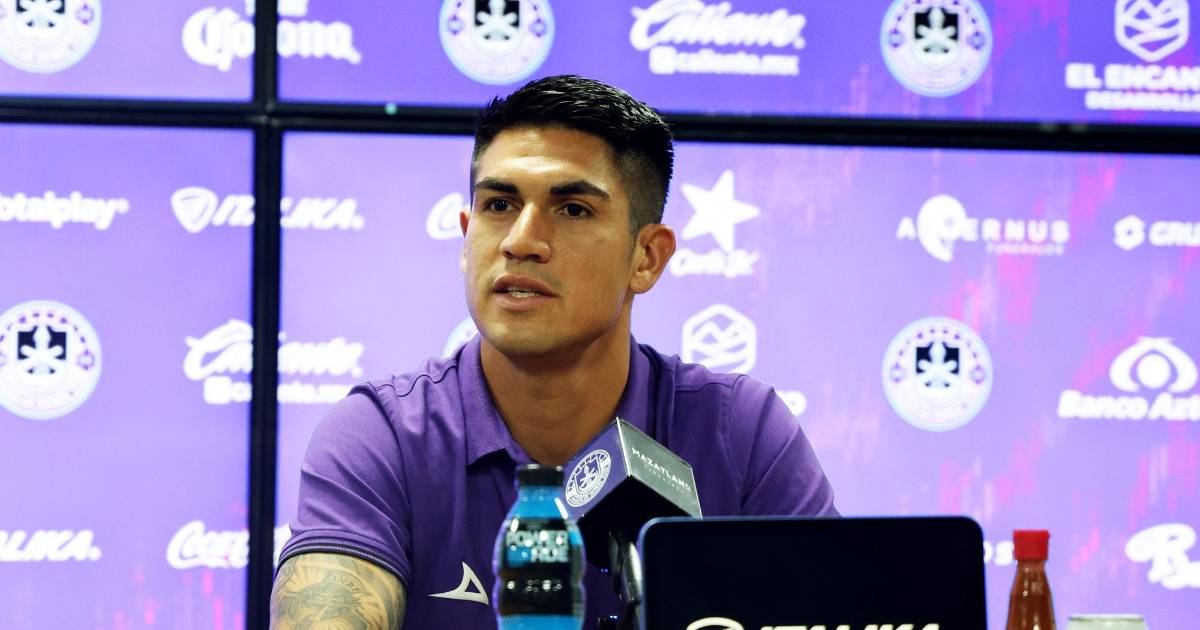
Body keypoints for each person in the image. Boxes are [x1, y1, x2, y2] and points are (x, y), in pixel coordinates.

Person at [269, 75, 837, 630]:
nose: (520, 241)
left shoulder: (742, 432)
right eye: (499, 204)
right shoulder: (381, 436)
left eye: (572, 209)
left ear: (647, 257)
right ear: (466, 238)